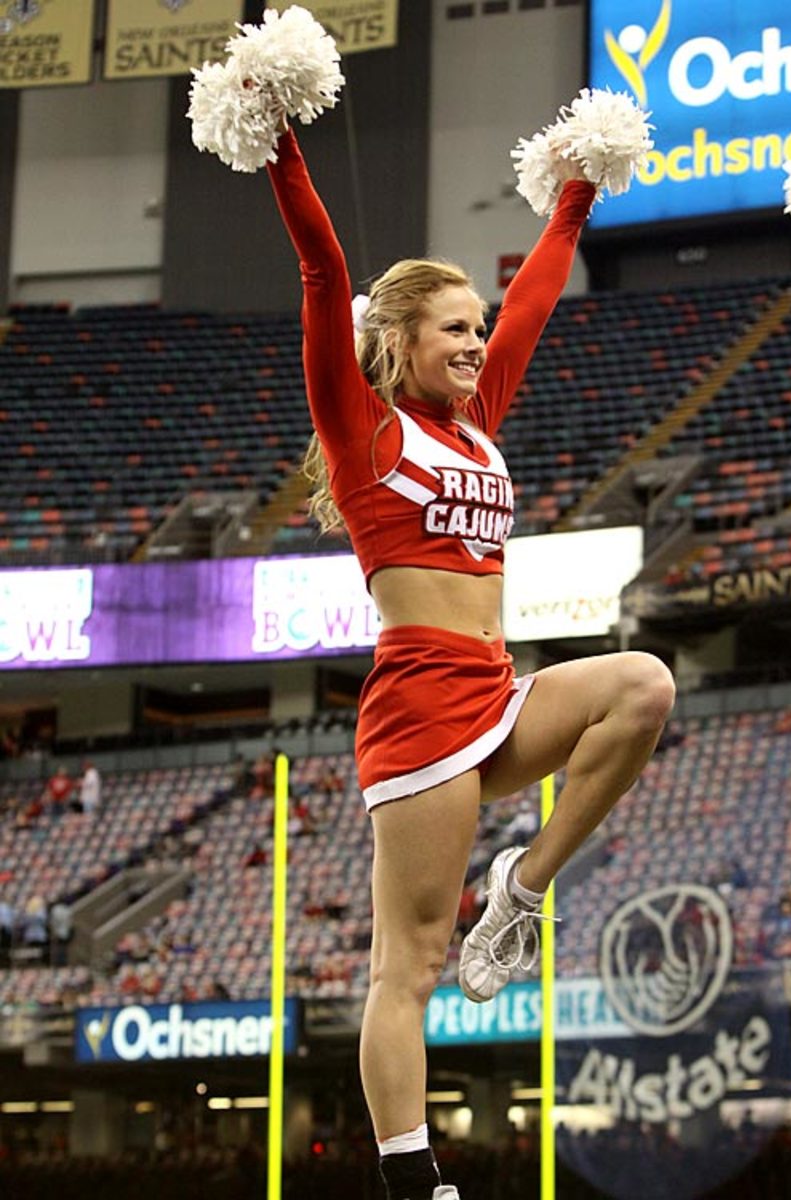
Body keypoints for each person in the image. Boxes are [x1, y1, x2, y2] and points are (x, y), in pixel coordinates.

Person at [265, 120, 675, 1200]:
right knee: (410, 969)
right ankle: (412, 1178)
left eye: (475, 327)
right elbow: (321, 269)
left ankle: (523, 887)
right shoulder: (364, 432)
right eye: (453, 328)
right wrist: (277, 146)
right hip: (417, 713)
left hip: (494, 691)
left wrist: (577, 189)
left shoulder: (478, 420)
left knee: (642, 686)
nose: (474, 343)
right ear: (398, 339)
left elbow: (537, 302)